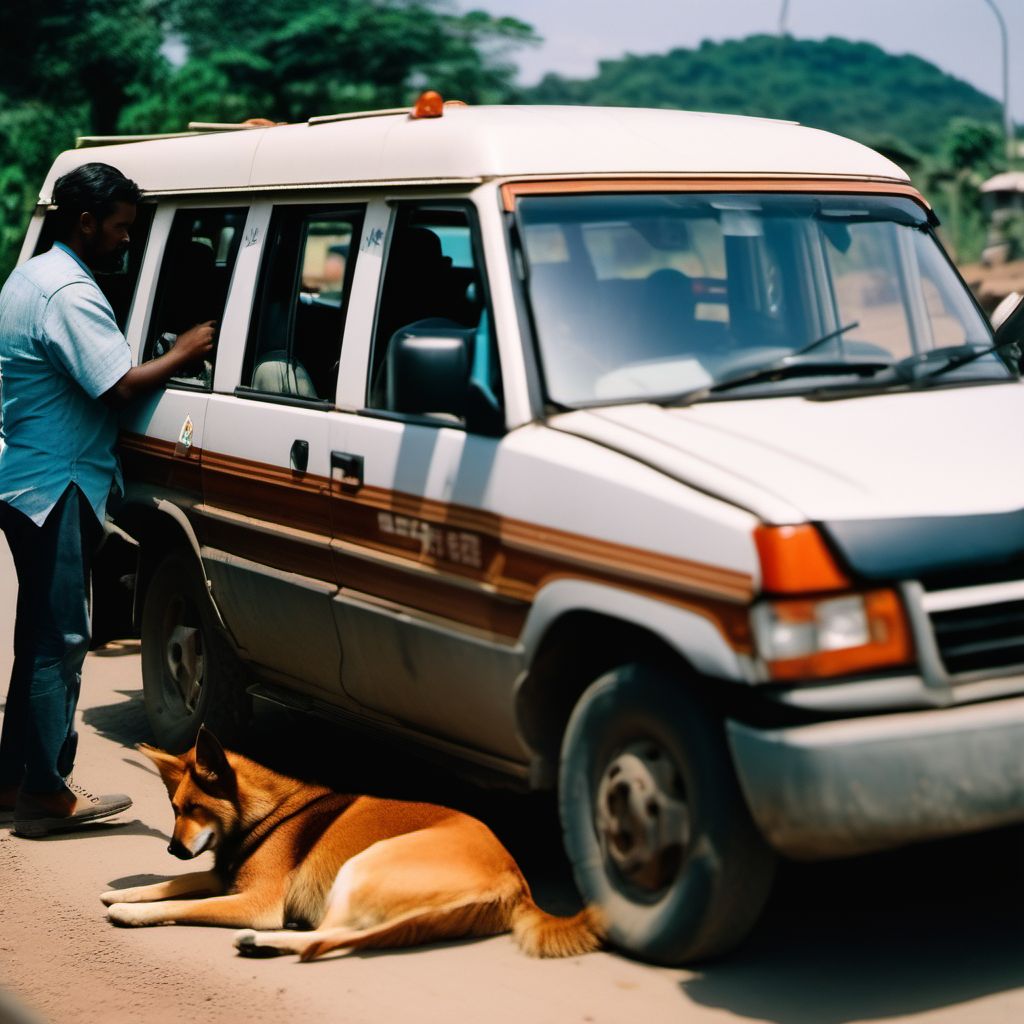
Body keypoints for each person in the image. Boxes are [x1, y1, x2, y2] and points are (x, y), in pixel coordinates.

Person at [0, 162, 215, 837]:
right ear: (84, 222)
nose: (128, 240)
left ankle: (14, 780)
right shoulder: (68, 290)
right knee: (61, 638)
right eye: (121, 228)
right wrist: (184, 352)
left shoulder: (31, 274)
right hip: (57, 482)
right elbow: (117, 386)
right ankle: (45, 791)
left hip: (30, 476)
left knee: (38, 634)